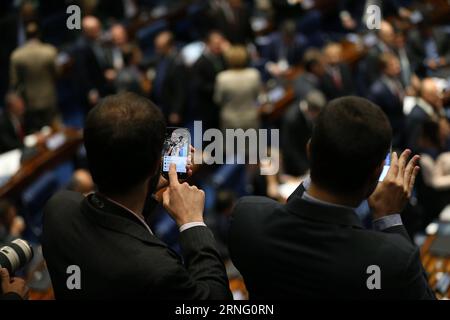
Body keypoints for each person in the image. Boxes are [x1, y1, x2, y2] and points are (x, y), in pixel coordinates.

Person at [229, 96, 435, 299]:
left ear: (310, 149)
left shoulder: (248, 219)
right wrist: (388, 217)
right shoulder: (390, 260)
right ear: (376, 174)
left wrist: (321, 162)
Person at [42, 92, 232, 300]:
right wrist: (192, 223)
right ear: (155, 164)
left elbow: (116, 216)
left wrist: (149, 187)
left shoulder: (58, 209)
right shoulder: (158, 270)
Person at [9, 22, 58, 133]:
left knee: (36, 133)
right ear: (38, 34)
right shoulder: (49, 51)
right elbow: (57, 73)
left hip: (30, 102)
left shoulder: (16, 56)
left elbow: (14, 82)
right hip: (49, 97)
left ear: (25, 35)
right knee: (55, 131)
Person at [214, 45, 262, 130]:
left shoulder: (222, 77)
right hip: (250, 118)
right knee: (252, 143)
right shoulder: (253, 74)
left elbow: (218, 100)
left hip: (230, 120)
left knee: (231, 143)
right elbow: (257, 96)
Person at [192, 31, 228, 130]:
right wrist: (219, 87)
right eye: (216, 44)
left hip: (223, 104)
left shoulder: (222, 57)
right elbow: (200, 86)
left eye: (220, 43)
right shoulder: (199, 63)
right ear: (208, 44)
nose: (219, 46)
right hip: (209, 108)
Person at [368, 53, 406, 148]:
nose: (397, 67)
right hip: (391, 135)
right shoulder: (377, 91)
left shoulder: (397, 80)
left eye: (397, 64)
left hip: (401, 128)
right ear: (383, 69)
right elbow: (375, 117)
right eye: (392, 65)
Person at [151, 31, 187, 125]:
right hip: (164, 107)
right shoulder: (161, 58)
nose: (156, 50)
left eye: (159, 47)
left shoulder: (177, 62)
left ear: (168, 46)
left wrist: (176, 111)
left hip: (173, 110)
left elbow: (181, 89)